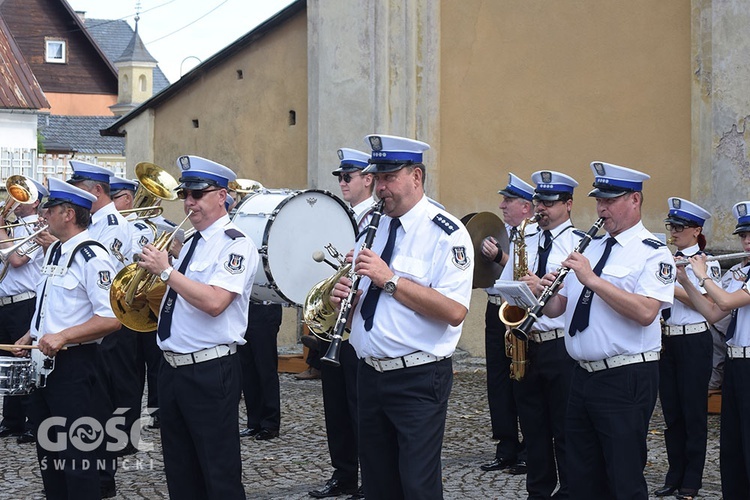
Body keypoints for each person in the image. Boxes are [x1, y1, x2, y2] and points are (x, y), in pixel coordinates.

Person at [332, 134, 474, 499]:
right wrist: (344, 303)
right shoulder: (370, 229)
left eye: (389, 178)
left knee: (417, 485)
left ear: (416, 176)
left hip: (417, 377)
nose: (381, 188)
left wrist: (390, 279)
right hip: (370, 373)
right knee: (379, 485)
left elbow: (454, 311)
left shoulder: (447, 233)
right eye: (377, 179)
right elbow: (371, 308)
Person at [539, 161, 675, 499]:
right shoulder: (593, 247)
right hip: (582, 375)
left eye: (610, 201)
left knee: (623, 477)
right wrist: (544, 292)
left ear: (634, 200)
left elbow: (646, 312)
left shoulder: (653, 253)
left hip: (626, 376)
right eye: (599, 200)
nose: (601, 208)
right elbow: (562, 308)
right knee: (581, 476)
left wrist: (593, 280)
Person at [137, 155, 256, 499]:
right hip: (172, 369)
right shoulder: (189, 242)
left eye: (198, 195)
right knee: (180, 471)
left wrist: (166, 272)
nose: (189, 203)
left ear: (221, 196)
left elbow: (215, 303)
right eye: (185, 195)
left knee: (218, 471)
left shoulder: (235, 244)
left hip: (210, 369)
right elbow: (176, 301)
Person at [15, 177, 121, 500]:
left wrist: (63, 336)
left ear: (68, 214)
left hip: (76, 367)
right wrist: (28, 336)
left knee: (77, 461)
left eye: (49, 209)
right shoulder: (55, 251)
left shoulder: (93, 257)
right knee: (50, 459)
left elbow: (112, 318)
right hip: (44, 365)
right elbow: (50, 309)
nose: (43, 215)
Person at [307, 147, 375, 499]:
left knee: (358, 404)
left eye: (348, 176)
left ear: (368, 179)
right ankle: (344, 473)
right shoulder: (340, 217)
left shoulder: (374, 219)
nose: (342, 182)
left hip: (359, 325)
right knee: (335, 405)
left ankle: (369, 478)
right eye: (339, 176)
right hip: (336, 320)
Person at [507, 170, 580, 498]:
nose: (541, 209)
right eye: (538, 201)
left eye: (549, 203)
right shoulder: (524, 236)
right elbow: (507, 285)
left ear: (568, 204)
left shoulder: (577, 243)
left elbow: (576, 302)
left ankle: (570, 490)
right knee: (533, 428)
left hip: (560, 345)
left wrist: (543, 290)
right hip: (526, 342)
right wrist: (519, 291)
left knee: (565, 429)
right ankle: (538, 490)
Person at [676, 200, 750, 499]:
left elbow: (728, 302)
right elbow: (713, 313)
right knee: (732, 446)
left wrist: (703, 274)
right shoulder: (740, 273)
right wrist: (684, 280)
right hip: (736, 364)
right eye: (743, 236)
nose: (747, 242)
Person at [655, 198, 719, 499]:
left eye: (679, 227)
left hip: (694, 339)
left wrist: (672, 284)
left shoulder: (708, 264)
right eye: (671, 226)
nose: (674, 232)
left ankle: (691, 480)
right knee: (672, 413)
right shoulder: (665, 259)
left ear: (696, 231)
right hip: (668, 339)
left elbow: (707, 305)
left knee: (693, 413)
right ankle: (674, 474)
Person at [479, 173, 533, 475]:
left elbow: (529, 272)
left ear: (526, 207)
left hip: (518, 311)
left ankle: (530, 446)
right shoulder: (498, 232)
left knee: (522, 378)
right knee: (497, 380)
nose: (502, 205)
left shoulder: (534, 234)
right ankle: (506, 445)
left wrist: (500, 257)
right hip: (494, 309)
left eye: (508, 200)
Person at [110, 175, 163, 430]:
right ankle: (125, 421)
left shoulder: (140, 227)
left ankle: (156, 412)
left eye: (114, 198)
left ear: (128, 199)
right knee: (127, 369)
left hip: (143, 302)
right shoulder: (115, 224)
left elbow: (137, 261)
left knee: (150, 363)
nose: (110, 203)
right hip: (124, 303)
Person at [0, 177, 48, 445]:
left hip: (24, 302)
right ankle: (12, 420)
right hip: (5, 302)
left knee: (27, 363)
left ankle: (33, 421)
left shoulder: (38, 229)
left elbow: (17, 260)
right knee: (8, 364)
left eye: (22, 198)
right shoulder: (9, 227)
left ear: (35, 202)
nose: (14, 202)